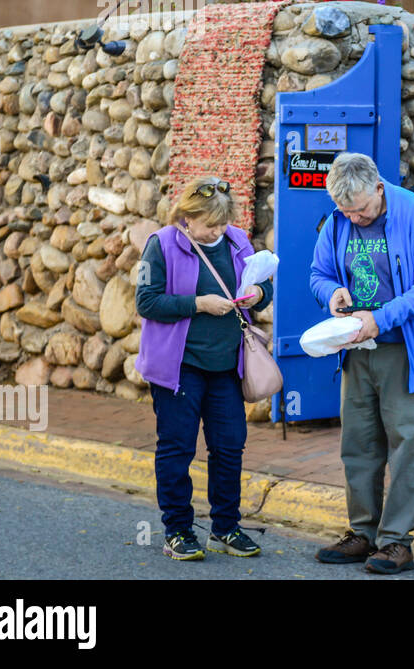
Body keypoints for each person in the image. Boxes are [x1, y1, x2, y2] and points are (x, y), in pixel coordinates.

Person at [309, 152, 414, 575]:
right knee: (358, 443)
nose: (355, 218)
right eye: (346, 212)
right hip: (357, 349)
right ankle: (362, 534)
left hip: (406, 348)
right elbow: (317, 272)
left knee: (406, 445)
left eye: (362, 210)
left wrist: (380, 318)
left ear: (378, 187)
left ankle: (396, 543)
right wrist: (332, 292)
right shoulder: (338, 218)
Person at [135, 177, 274, 561]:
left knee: (229, 447)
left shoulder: (237, 240)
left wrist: (259, 294)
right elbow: (147, 302)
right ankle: (177, 530)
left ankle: (225, 528)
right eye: (209, 224)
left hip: (228, 365)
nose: (217, 230)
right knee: (177, 448)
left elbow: (264, 288)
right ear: (187, 217)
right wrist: (198, 304)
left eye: (222, 222)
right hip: (179, 366)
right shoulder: (161, 244)